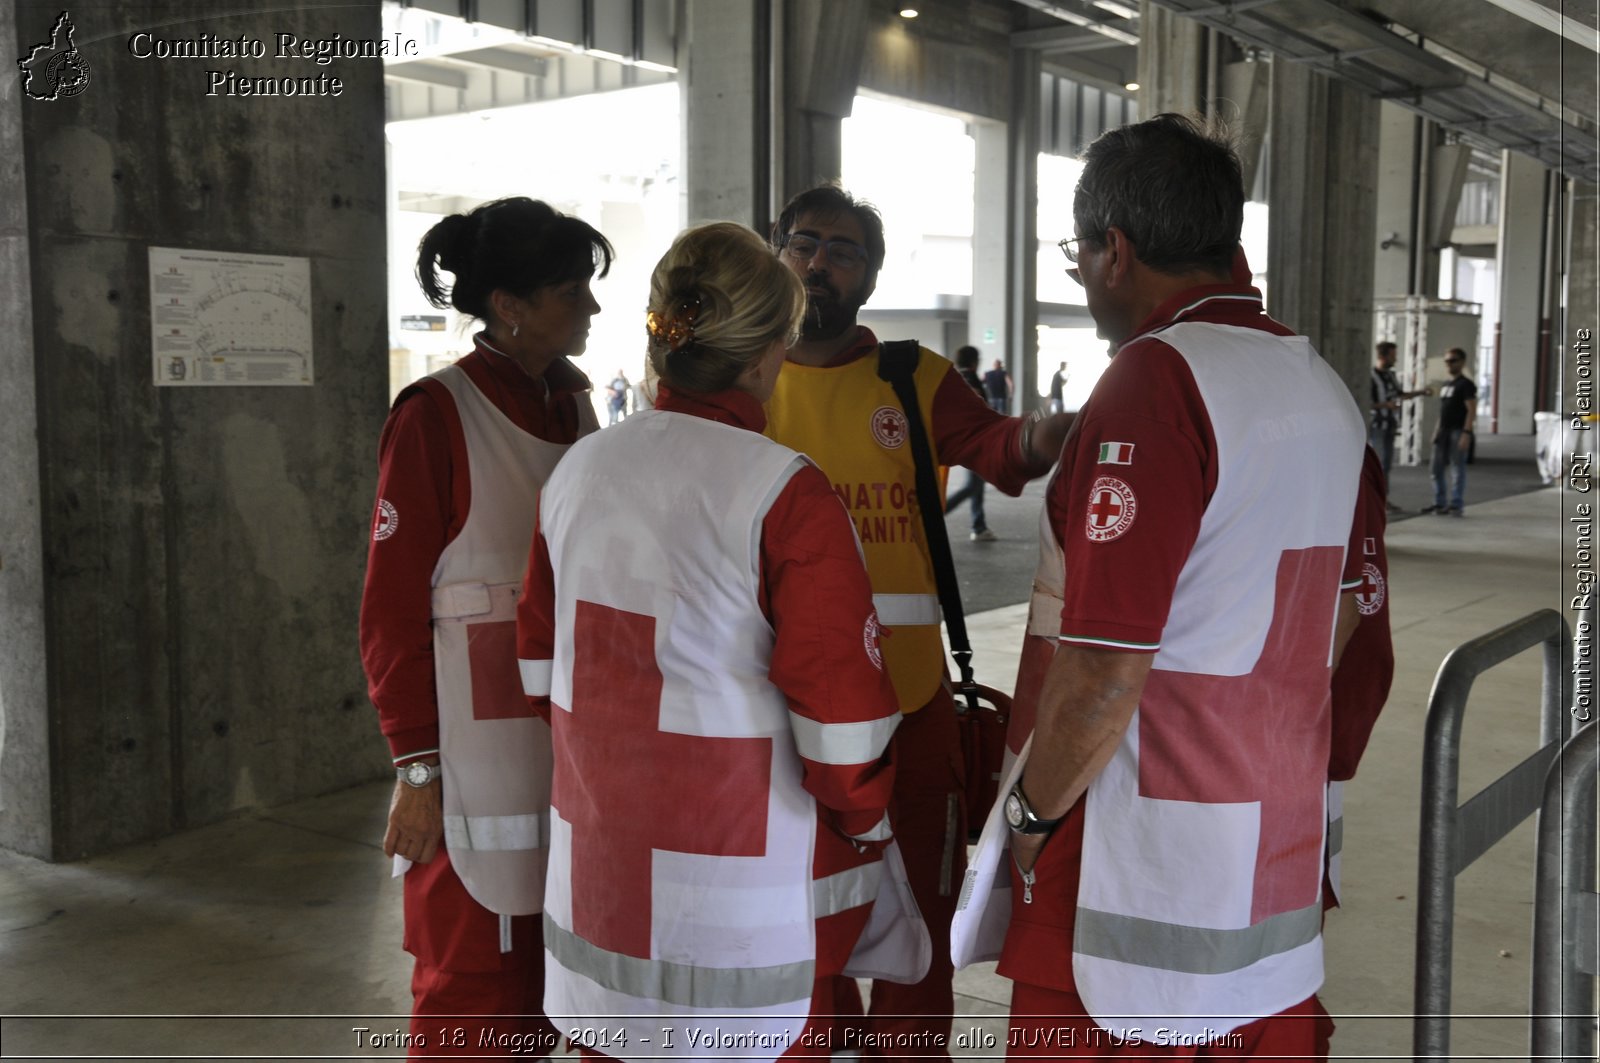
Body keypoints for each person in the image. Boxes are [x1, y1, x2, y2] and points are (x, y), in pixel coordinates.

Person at [993, 114, 1366, 1056]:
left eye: (1077, 254)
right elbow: (1351, 618)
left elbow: (1104, 671)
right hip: (1270, 857)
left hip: (1133, 872)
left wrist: (1031, 817)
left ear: (1115, 250)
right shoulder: (1317, 383)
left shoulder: (1155, 383)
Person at [515, 222, 906, 1060]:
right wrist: (867, 822)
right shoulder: (784, 493)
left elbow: (538, 671)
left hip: (599, 890)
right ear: (769, 354)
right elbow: (843, 738)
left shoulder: (575, 472)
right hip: (741, 912)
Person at [765, 184, 1073, 1057]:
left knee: (923, 931)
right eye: (805, 242)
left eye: (844, 249)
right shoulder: (743, 380)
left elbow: (1000, 448)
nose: (820, 260)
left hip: (913, 708)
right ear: (777, 251)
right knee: (802, 922)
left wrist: (1056, 436)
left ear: (870, 275)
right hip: (783, 714)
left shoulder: (912, 377)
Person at [359, 196, 612, 1057]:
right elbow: (389, 614)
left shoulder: (579, 412)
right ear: (508, 304)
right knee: (472, 1000)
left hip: (569, 755)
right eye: (572, 291)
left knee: (563, 992)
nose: (591, 308)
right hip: (470, 769)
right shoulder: (434, 414)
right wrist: (417, 767)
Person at [944, 346, 997, 542]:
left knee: (976, 485)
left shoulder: (956, 378)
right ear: (974, 361)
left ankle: (979, 526)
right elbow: (978, 407)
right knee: (972, 486)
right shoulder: (972, 379)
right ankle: (934, 516)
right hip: (975, 440)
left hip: (966, 440)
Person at [1368, 340, 1428, 509]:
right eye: (1393, 355)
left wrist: (1421, 392)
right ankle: (1374, 501)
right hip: (1377, 426)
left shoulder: (1391, 376)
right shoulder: (1371, 377)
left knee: (1386, 464)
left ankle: (1383, 500)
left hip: (1391, 424)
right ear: (1382, 356)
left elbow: (1400, 395)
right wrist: (1385, 405)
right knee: (1379, 464)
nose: (1395, 359)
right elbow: (1365, 402)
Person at [1423, 347, 1476, 516]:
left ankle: (1456, 504)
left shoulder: (1466, 385)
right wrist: (1437, 430)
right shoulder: (1446, 385)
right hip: (1444, 431)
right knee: (1436, 469)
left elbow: (1471, 410)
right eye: (1447, 361)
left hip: (1457, 431)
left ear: (1461, 362)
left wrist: (1466, 433)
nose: (1449, 364)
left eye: (1453, 360)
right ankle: (1439, 502)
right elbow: (1443, 411)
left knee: (1457, 467)